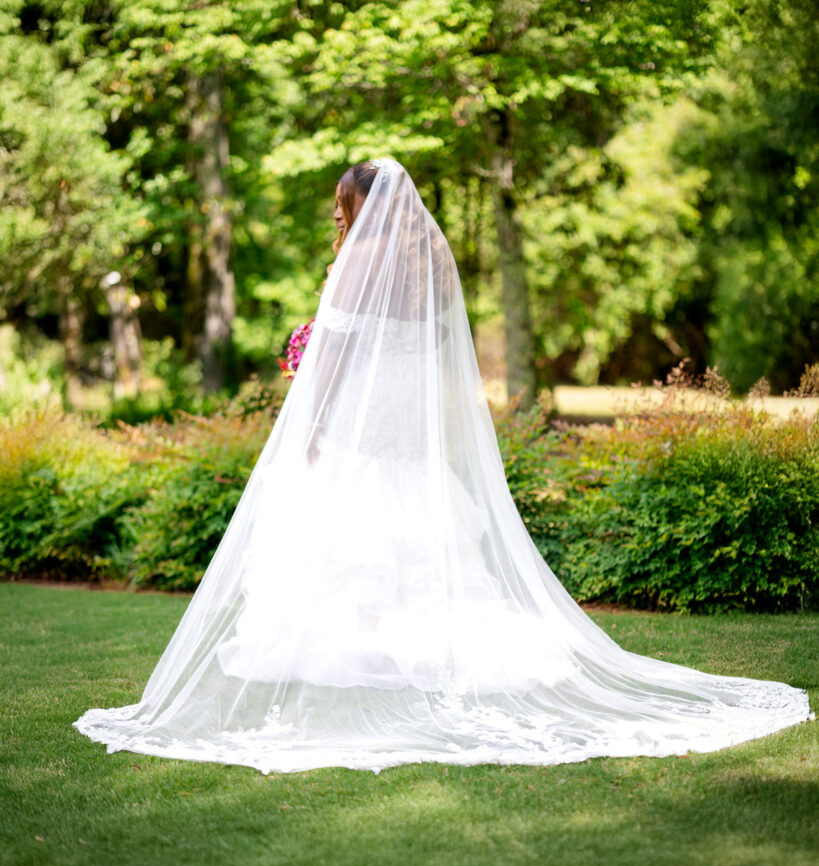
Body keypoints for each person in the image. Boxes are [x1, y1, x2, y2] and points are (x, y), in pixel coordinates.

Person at [74, 157, 812, 774]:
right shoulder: (424, 265)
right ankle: (418, 651)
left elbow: (329, 357)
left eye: (342, 204)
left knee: (353, 534)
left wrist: (310, 421)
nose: (336, 216)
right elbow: (428, 355)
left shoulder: (356, 266)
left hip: (361, 424)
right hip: (402, 426)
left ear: (365, 204)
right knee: (409, 526)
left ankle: (371, 653)